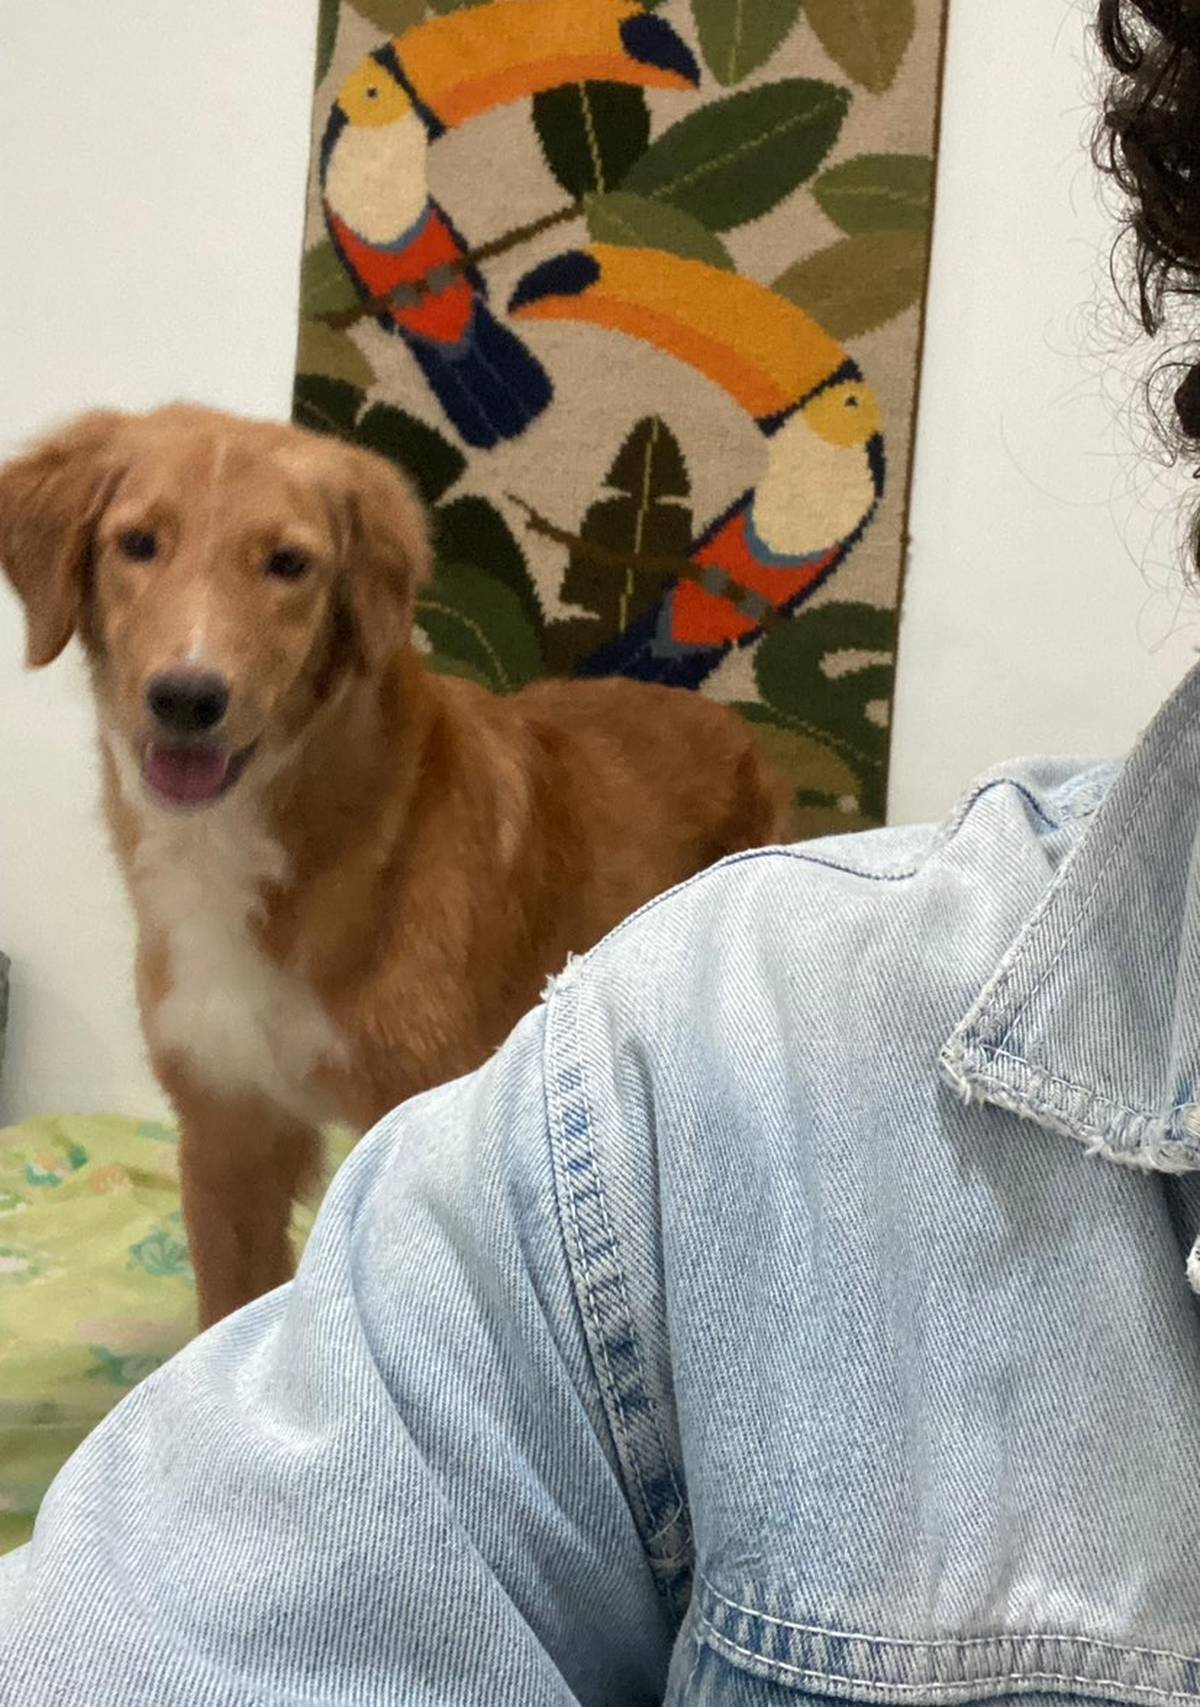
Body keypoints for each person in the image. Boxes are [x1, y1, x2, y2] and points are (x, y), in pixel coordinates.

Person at [5, 3, 1200, 1701]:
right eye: (139, 549)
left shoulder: (711, 991)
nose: (193, 654)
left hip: (694, 803)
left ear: (355, 611)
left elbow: (482, 1231)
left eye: (278, 568)